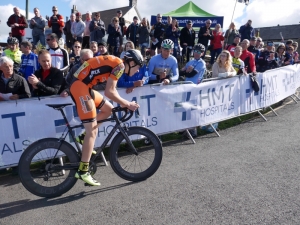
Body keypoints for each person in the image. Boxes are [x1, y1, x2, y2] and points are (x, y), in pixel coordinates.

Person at [68, 49, 142, 186]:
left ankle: (83, 138)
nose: (138, 70)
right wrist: (128, 104)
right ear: (131, 62)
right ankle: (83, 171)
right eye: (138, 66)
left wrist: (124, 104)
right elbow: (110, 92)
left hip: (84, 86)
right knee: (93, 131)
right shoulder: (120, 66)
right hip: (80, 87)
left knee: (109, 110)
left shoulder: (118, 63)